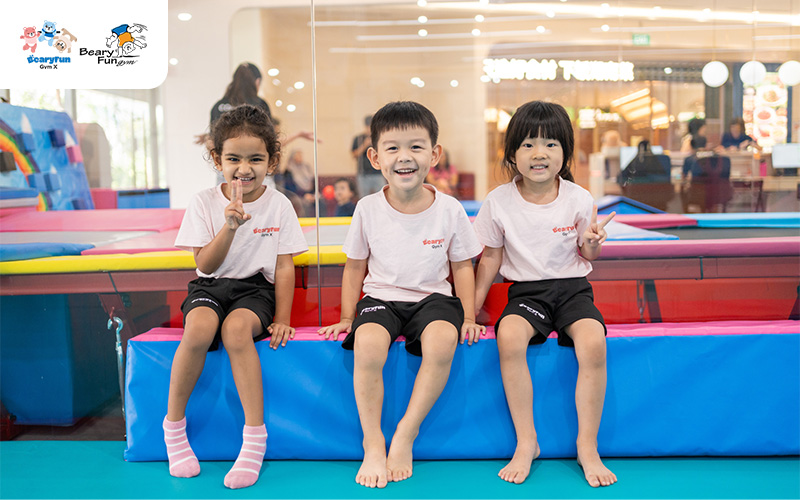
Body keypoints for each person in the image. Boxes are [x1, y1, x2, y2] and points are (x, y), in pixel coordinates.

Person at [318, 101, 483, 489]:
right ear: (375, 157)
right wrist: (347, 317)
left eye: (415, 147)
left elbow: (462, 266)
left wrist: (470, 317)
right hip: (381, 297)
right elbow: (355, 266)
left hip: (433, 299)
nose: (404, 158)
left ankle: (406, 432)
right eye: (392, 148)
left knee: (443, 341)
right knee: (369, 345)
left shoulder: (450, 209)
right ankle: (373, 440)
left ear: (434, 154)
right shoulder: (367, 208)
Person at [472, 101, 617, 488]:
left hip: (573, 291)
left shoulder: (578, 198)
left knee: (593, 342)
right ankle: (527, 441)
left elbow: (588, 255)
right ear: (512, 154)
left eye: (551, 144)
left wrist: (592, 244)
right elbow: (489, 258)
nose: (540, 153)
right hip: (527, 295)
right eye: (528, 145)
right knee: (509, 336)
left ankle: (587, 445)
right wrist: (468, 312)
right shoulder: (498, 201)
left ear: (565, 152)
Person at [166, 105, 308, 489]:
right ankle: (174, 428)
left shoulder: (279, 205)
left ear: (271, 161)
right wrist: (229, 226)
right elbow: (205, 266)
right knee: (197, 331)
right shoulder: (203, 202)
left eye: (255, 159)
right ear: (217, 159)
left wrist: (283, 317)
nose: (244, 168)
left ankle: (254, 438)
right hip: (211, 286)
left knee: (236, 332)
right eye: (233, 158)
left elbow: (283, 268)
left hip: (254, 290)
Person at [352, 114, 385, 197]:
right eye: (368, 126)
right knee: (363, 197)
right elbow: (354, 155)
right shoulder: (358, 138)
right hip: (363, 174)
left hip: (378, 173)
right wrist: (365, 145)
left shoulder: (380, 137)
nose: (369, 129)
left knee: (382, 197)